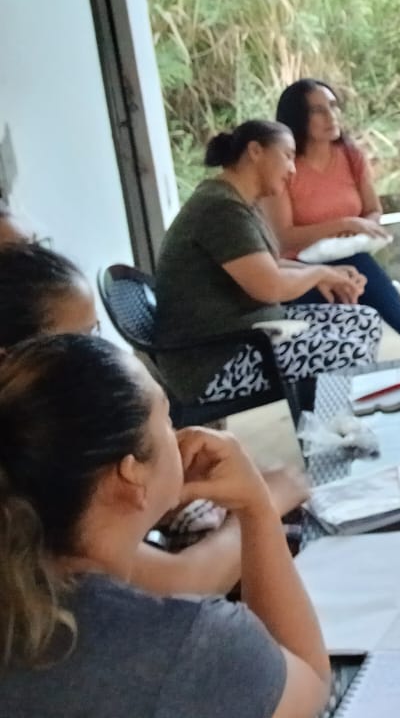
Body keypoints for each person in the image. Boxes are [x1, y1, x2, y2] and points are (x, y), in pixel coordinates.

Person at [0, 335, 331, 717]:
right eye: (168, 419)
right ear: (131, 475)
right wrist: (256, 507)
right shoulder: (186, 644)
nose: (181, 437)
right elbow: (310, 687)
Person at [0, 240, 308, 597]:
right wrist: (262, 502)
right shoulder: (28, 466)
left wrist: (165, 491)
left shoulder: (59, 437)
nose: (104, 355)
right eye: (80, 341)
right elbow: (183, 584)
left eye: (95, 333)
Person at [154, 120, 383, 405]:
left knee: (364, 321)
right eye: (287, 156)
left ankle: (324, 420)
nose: (292, 169)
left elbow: (269, 266)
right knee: (347, 351)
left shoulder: (236, 201)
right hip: (215, 361)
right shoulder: (221, 209)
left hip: (252, 334)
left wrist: (327, 274)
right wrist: (319, 273)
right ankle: (332, 430)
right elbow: (271, 287)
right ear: (255, 151)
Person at [262, 78, 400, 353]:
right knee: (353, 276)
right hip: (298, 267)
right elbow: (283, 237)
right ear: (298, 117)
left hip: (351, 257)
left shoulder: (351, 156)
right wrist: (344, 224)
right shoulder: (285, 166)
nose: (331, 116)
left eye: (333, 106)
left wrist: (365, 229)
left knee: (357, 268)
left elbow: (373, 211)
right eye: (318, 110)